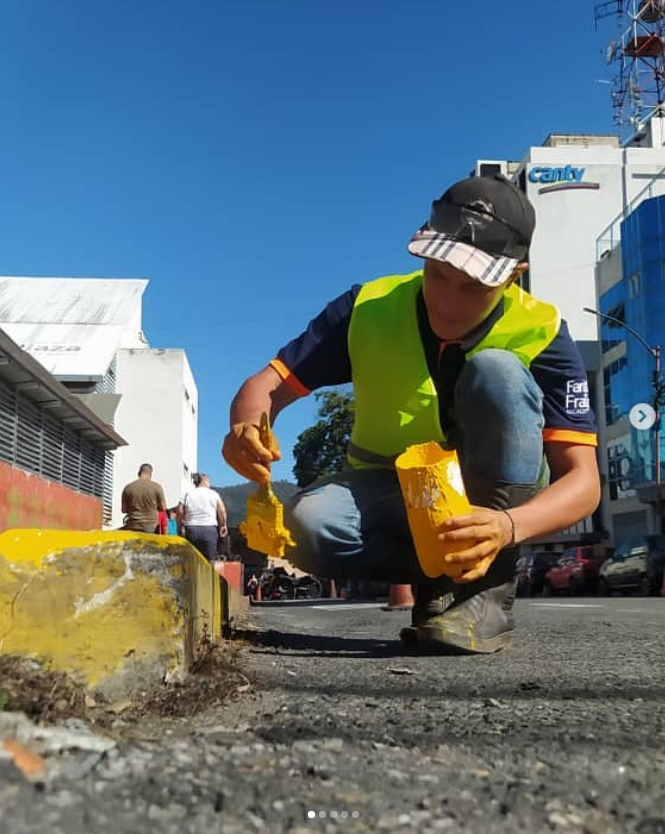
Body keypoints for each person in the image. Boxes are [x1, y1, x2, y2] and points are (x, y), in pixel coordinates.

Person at [222, 173, 601, 654]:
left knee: (498, 371)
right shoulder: (367, 306)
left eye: (472, 286)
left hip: (495, 502)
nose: (447, 301)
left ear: (513, 274)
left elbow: (584, 482)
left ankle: (487, 591)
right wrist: (244, 428)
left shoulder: (542, 330)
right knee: (306, 524)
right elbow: (265, 387)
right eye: (438, 274)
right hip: (395, 490)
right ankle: (439, 579)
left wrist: (507, 528)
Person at [178, 473, 228, 562]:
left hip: (191, 528)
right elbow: (222, 511)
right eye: (209, 481)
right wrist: (223, 525)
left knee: (192, 559)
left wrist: (182, 522)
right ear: (204, 481)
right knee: (210, 560)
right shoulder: (213, 494)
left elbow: (180, 510)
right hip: (209, 528)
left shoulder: (187, 494)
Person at [121, 463, 167, 533]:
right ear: (150, 473)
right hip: (151, 526)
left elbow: (123, 510)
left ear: (139, 472)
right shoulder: (157, 487)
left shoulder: (128, 488)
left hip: (132, 525)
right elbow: (163, 508)